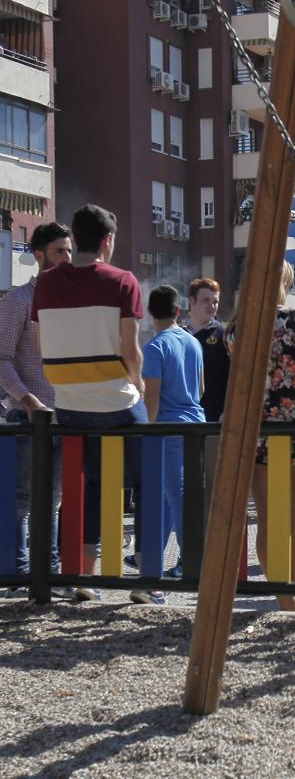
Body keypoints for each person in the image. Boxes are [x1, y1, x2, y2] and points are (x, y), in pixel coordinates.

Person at [31, 205, 149, 603]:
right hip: (115, 401)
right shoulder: (122, 281)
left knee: (91, 487)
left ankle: (86, 577)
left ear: (75, 239)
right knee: (148, 481)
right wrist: (139, 385)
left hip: (68, 404)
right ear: (106, 241)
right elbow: (130, 350)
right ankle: (148, 579)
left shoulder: (45, 284)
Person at [227, 261, 295, 612]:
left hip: (257, 429)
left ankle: (286, 600)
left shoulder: (236, 327)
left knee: (269, 520)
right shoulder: (294, 320)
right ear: (284, 283)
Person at [0, 222, 72, 594]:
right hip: (27, 418)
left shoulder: (69, 301)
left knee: (55, 501)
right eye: (60, 251)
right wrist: (28, 401)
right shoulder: (18, 300)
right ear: (38, 254)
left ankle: (50, 574)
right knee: (22, 500)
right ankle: (19, 574)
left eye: (70, 251)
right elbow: (1, 359)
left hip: (62, 417)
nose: (67, 258)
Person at [142, 285, 205, 580]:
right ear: (178, 311)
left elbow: (151, 398)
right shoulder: (193, 343)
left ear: (149, 312)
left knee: (176, 496)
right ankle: (151, 551)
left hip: (169, 428)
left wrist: (147, 432)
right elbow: (202, 389)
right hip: (196, 425)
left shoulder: (154, 348)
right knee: (175, 496)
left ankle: (190, 561)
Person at [185, 278, 229, 423]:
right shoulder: (179, 335)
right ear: (192, 301)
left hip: (215, 418)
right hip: (184, 418)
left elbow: (234, 377)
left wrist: (227, 411)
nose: (212, 305)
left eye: (215, 301)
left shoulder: (224, 335)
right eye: (206, 300)